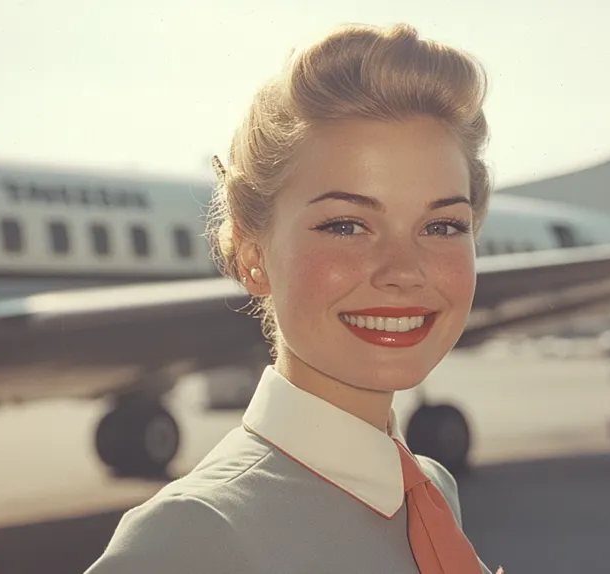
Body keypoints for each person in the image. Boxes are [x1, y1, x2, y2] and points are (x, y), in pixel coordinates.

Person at [85, 22, 500, 574]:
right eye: (347, 225)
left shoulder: (429, 491)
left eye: (443, 226)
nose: (404, 271)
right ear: (254, 255)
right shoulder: (191, 537)